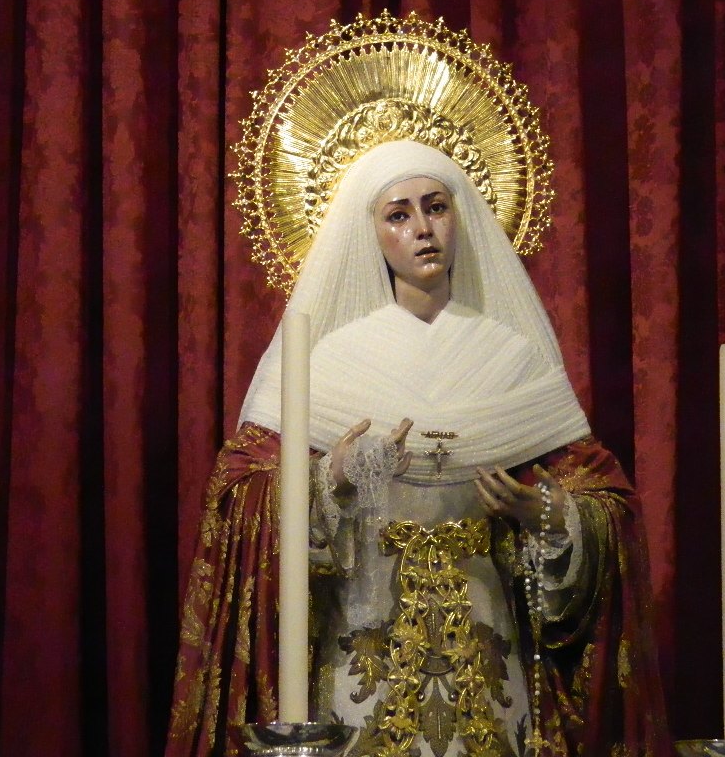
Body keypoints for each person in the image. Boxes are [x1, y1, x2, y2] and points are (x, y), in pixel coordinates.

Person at [166, 141, 672, 757]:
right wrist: (332, 480)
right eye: (398, 215)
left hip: (491, 667)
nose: (423, 229)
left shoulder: (511, 360)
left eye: (435, 207)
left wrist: (548, 512)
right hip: (360, 665)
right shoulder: (329, 361)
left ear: (462, 218)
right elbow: (241, 493)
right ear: (371, 234)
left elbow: (604, 503)